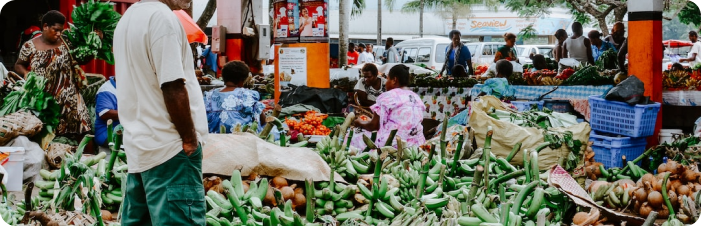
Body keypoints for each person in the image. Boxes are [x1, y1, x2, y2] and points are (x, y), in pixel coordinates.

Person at [113, 0, 209, 224]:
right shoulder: (162, 19)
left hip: (141, 147)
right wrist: (190, 140)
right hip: (170, 149)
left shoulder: (127, 19)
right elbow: (173, 85)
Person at [14, 10, 92, 136]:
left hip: (70, 100)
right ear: (45, 26)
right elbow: (18, 65)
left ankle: (84, 154)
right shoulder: (30, 46)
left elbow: (82, 59)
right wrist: (26, 73)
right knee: (47, 134)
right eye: (55, 30)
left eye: (61, 30)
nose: (59, 34)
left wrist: (93, 44)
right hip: (44, 101)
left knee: (83, 131)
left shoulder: (67, 42)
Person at [352, 65, 425, 149]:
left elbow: (373, 126)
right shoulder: (416, 97)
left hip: (392, 144)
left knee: (355, 134)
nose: (386, 82)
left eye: (388, 79)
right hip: (417, 144)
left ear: (394, 80)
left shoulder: (387, 96)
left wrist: (359, 122)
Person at [204, 61, 266, 133]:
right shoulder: (248, 95)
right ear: (242, 80)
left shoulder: (209, 96)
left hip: (214, 139)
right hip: (243, 140)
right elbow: (263, 120)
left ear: (223, 77)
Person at [94, 76, 119, 147]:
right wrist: (131, 113)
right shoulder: (107, 90)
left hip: (125, 129)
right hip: (107, 133)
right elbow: (105, 114)